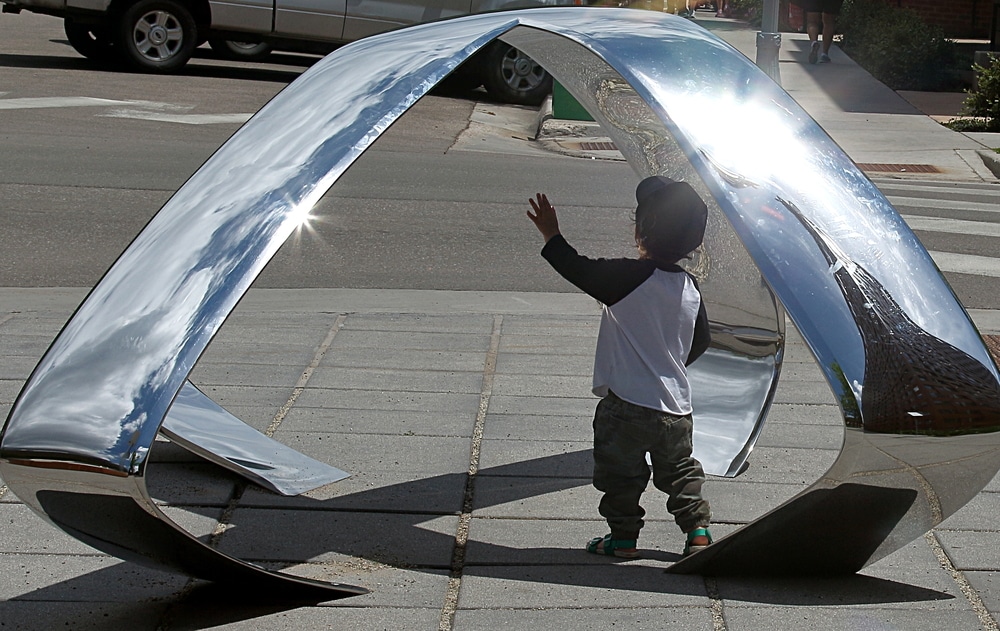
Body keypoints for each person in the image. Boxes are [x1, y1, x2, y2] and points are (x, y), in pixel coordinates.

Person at [526, 176, 713, 559]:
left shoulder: (628, 278)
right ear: (692, 244)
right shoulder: (690, 288)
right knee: (679, 472)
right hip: (676, 409)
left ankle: (623, 539)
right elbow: (702, 341)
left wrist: (551, 233)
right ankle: (698, 533)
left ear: (641, 231)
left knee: (620, 475)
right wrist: (669, 364)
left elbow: (576, 267)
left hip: (625, 405)